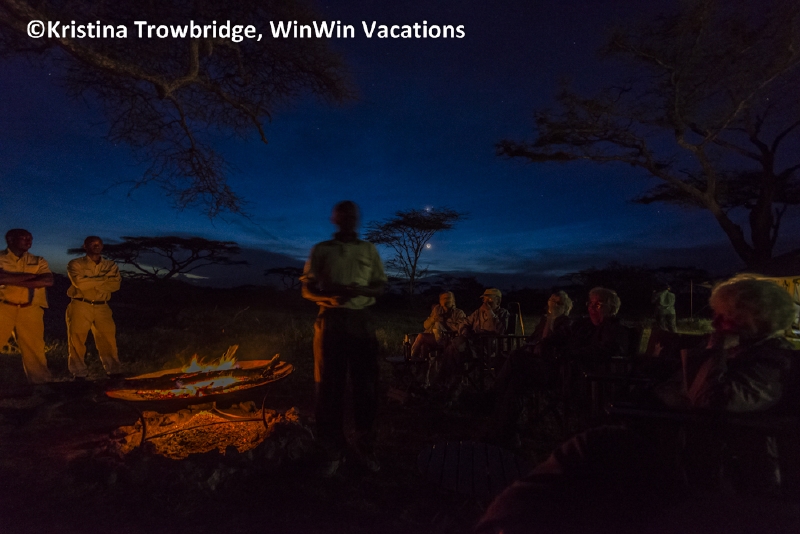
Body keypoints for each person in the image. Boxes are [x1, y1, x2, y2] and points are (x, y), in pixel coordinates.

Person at [654, 277, 798, 494]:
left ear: (752, 319)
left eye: (724, 316)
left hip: (729, 474)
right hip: (687, 452)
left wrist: (715, 349)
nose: (714, 323)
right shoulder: (740, 350)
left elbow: (710, 400)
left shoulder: (773, 361)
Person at [300, 200, 387, 476]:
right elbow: (307, 289)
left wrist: (363, 291)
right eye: (343, 214)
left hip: (361, 320)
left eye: (353, 215)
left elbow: (380, 286)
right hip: (331, 319)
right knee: (328, 386)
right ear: (334, 219)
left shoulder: (368, 250)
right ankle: (331, 449)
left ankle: (365, 445)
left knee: (366, 385)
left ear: (357, 218)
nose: (349, 218)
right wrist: (330, 296)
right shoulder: (322, 249)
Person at [489, 291, 573, 447]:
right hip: (531, 366)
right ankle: (504, 431)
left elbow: (550, 341)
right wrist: (530, 346)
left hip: (549, 370)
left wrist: (551, 319)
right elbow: (531, 340)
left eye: (558, 303)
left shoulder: (566, 323)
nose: (554, 305)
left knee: (515, 357)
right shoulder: (543, 321)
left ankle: (492, 395)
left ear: (566, 307)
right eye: (552, 301)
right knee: (514, 381)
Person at [0, 229, 54, 384]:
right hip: (3, 307)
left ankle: (41, 385)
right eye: (24, 238)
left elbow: (48, 281)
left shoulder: (39, 260)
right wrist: (31, 278)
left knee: (35, 349)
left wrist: (8, 278)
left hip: (30, 308)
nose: (29, 241)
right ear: (10, 239)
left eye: (30, 238)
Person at [66, 236, 122, 380]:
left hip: (102, 306)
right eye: (92, 243)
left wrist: (90, 281)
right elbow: (80, 284)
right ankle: (79, 374)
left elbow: (115, 285)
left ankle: (114, 372)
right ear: (85, 246)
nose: (97, 246)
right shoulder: (75, 263)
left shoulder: (110, 264)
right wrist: (105, 279)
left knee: (108, 339)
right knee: (77, 340)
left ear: (102, 246)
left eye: (99, 243)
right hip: (80, 304)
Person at [435, 288, 509, 390]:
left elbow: (499, 330)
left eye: (489, 299)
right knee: (453, 349)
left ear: (498, 301)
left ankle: (447, 383)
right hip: (473, 346)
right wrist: (465, 332)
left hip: (489, 348)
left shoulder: (503, 313)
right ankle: (450, 383)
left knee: (453, 350)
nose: (485, 302)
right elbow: (464, 323)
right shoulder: (478, 313)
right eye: (484, 299)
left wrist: (489, 312)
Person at [569, 287, 629, 370]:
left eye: (598, 304)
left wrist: (575, 353)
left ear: (611, 308)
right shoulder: (583, 325)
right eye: (590, 303)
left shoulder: (615, 329)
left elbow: (607, 350)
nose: (592, 307)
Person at [409, 291, 466, 360]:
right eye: (443, 298)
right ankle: (422, 364)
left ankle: (412, 358)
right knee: (424, 345)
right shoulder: (437, 310)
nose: (446, 300)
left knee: (421, 336)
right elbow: (425, 325)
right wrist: (433, 319)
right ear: (440, 301)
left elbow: (461, 328)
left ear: (453, 300)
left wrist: (445, 322)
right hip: (434, 336)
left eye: (448, 298)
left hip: (449, 338)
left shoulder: (459, 313)